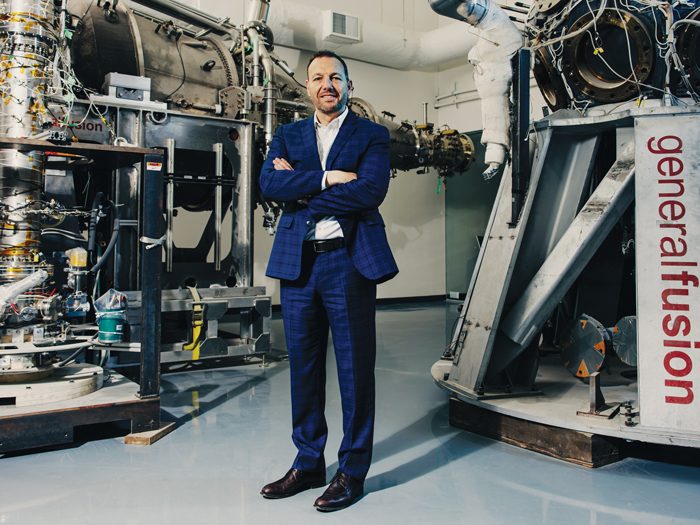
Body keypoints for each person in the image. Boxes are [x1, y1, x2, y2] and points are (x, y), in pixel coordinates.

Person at [258, 50, 398, 512]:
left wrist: (302, 192)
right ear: (307, 88)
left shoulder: (372, 134)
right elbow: (268, 186)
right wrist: (328, 179)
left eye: (335, 77)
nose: (326, 85)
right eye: (317, 78)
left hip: (348, 263)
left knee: (356, 372)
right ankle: (308, 461)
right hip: (299, 265)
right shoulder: (288, 133)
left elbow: (371, 190)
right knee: (304, 368)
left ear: (348, 85)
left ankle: (352, 471)